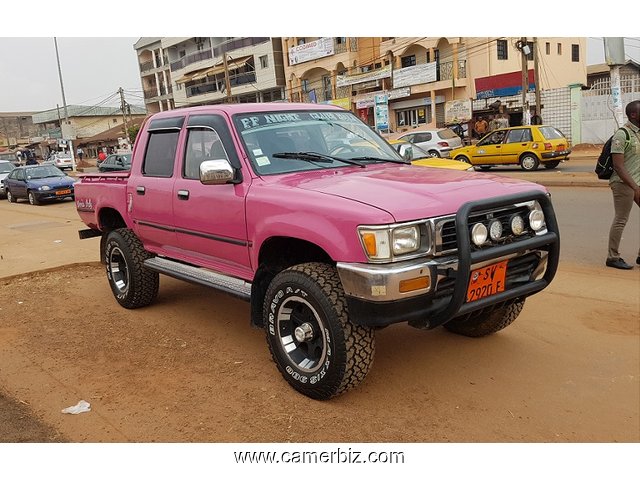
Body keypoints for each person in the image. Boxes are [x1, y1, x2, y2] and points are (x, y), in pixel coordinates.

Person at [606, 100, 640, 270]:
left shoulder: (638, 133)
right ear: (633, 114)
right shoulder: (622, 134)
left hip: (636, 183)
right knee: (621, 219)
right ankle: (612, 257)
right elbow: (618, 166)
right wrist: (634, 187)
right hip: (623, 183)